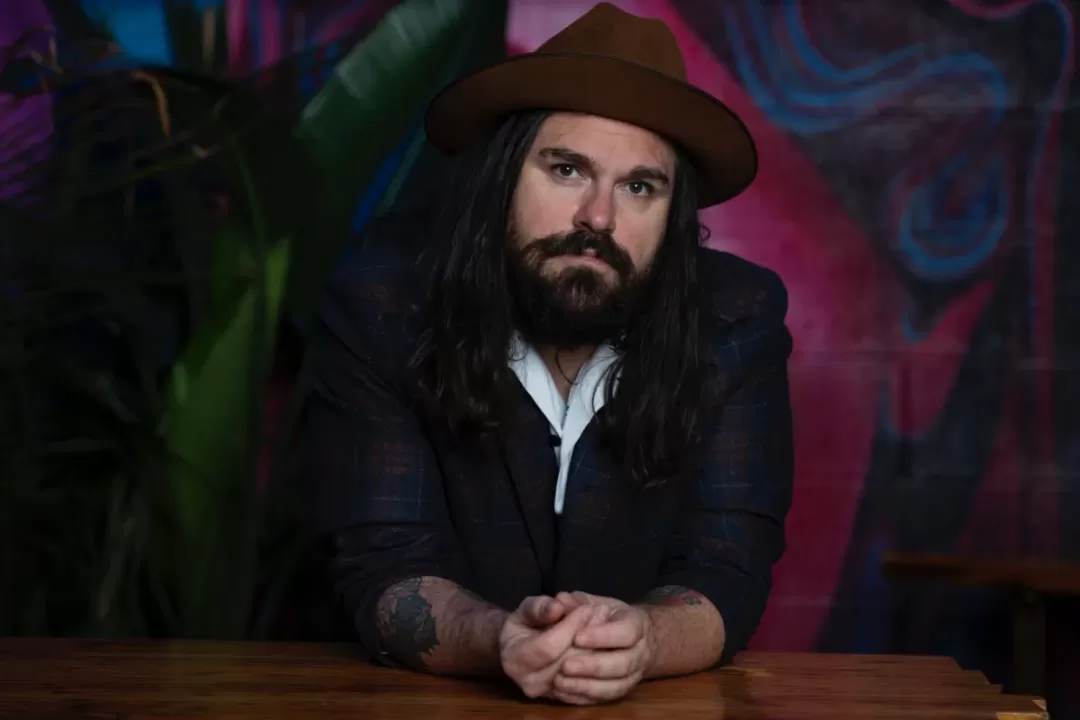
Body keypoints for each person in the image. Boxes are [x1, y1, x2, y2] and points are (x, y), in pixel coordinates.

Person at [304, 2, 794, 707]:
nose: (598, 217)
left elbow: (728, 562)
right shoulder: (384, 302)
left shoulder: (735, 320)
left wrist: (644, 639)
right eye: (566, 170)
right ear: (502, 178)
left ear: (672, 213)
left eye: (639, 187)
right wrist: (499, 638)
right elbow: (384, 561)